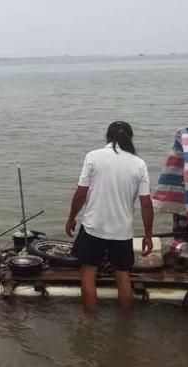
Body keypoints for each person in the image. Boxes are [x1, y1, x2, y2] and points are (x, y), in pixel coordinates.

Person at [65, 121, 154, 312]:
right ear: (130, 139)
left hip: (93, 228)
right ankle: (125, 323)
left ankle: (90, 321)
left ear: (107, 137)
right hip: (122, 232)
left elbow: (80, 193)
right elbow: (146, 203)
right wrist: (148, 236)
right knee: (123, 276)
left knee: (88, 273)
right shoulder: (139, 164)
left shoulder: (93, 157)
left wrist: (71, 218)